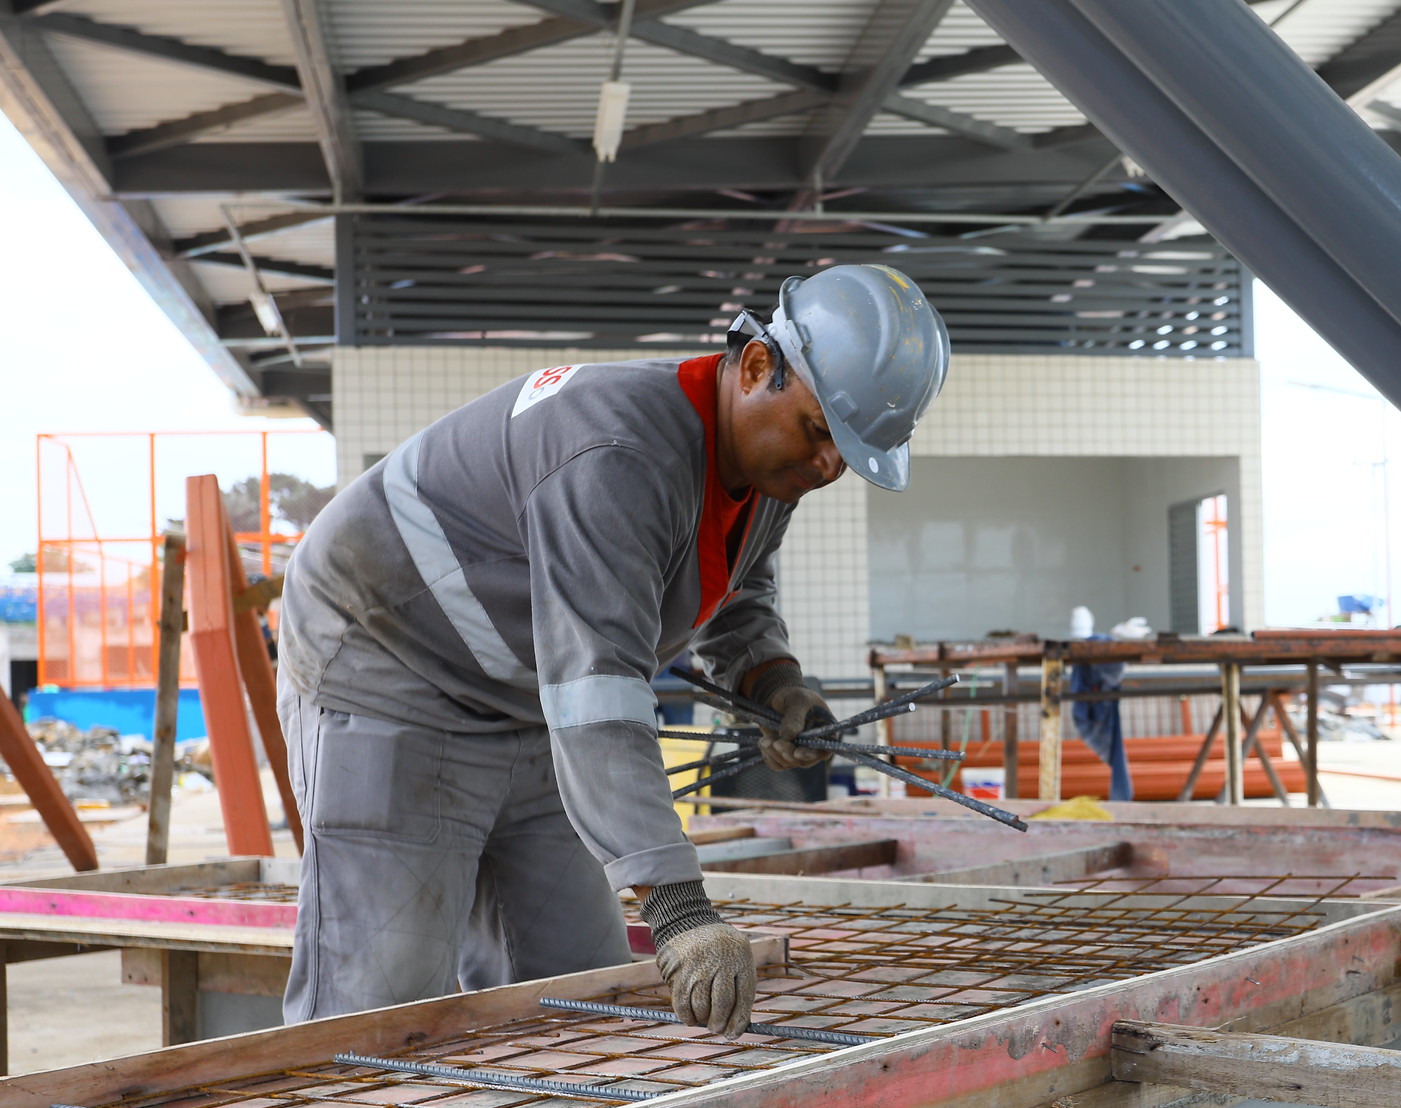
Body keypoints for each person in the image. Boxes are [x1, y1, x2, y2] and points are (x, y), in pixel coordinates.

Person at [275, 264, 949, 1035]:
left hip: (523, 698)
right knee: (381, 1005)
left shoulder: (764, 473)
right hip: (387, 663)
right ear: (759, 366)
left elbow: (735, 586)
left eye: (848, 456)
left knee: (578, 986)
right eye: (822, 433)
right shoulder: (617, 449)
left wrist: (772, 680)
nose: (828, 466)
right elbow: (599, 689)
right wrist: (679, 907)